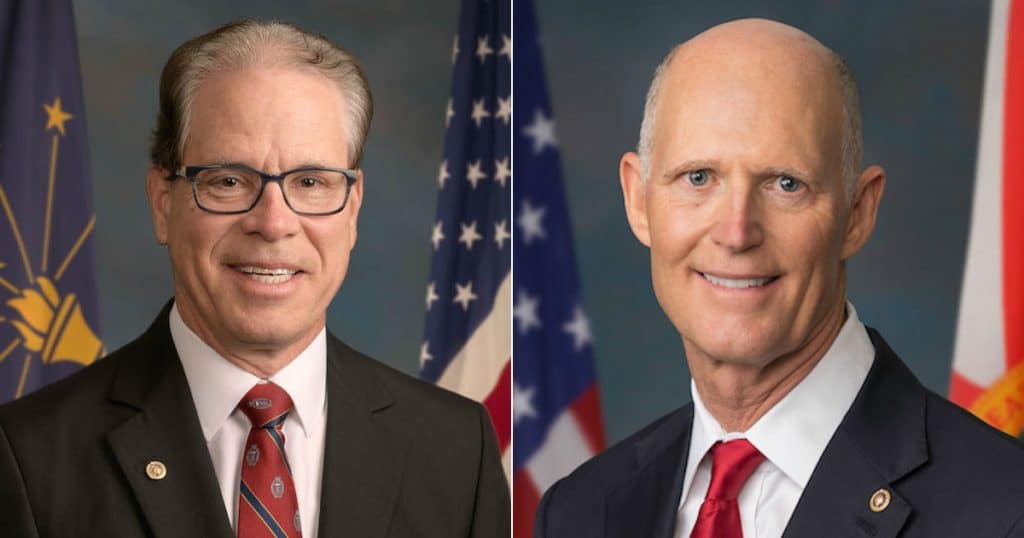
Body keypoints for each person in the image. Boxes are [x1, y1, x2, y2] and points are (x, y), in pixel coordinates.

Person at [0, 19, 508, 537]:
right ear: (162, 202)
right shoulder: (29, 457)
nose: (273, 223)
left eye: (311, 181)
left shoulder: (456, 450)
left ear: (352, 210)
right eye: (228, 181)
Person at [534, 18, 1024, 538]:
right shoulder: (579, 511)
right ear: (638, 201)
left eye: (785, 184)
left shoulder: (1005, 509)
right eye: (698, 177)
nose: (736, 231)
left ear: (858, 212)